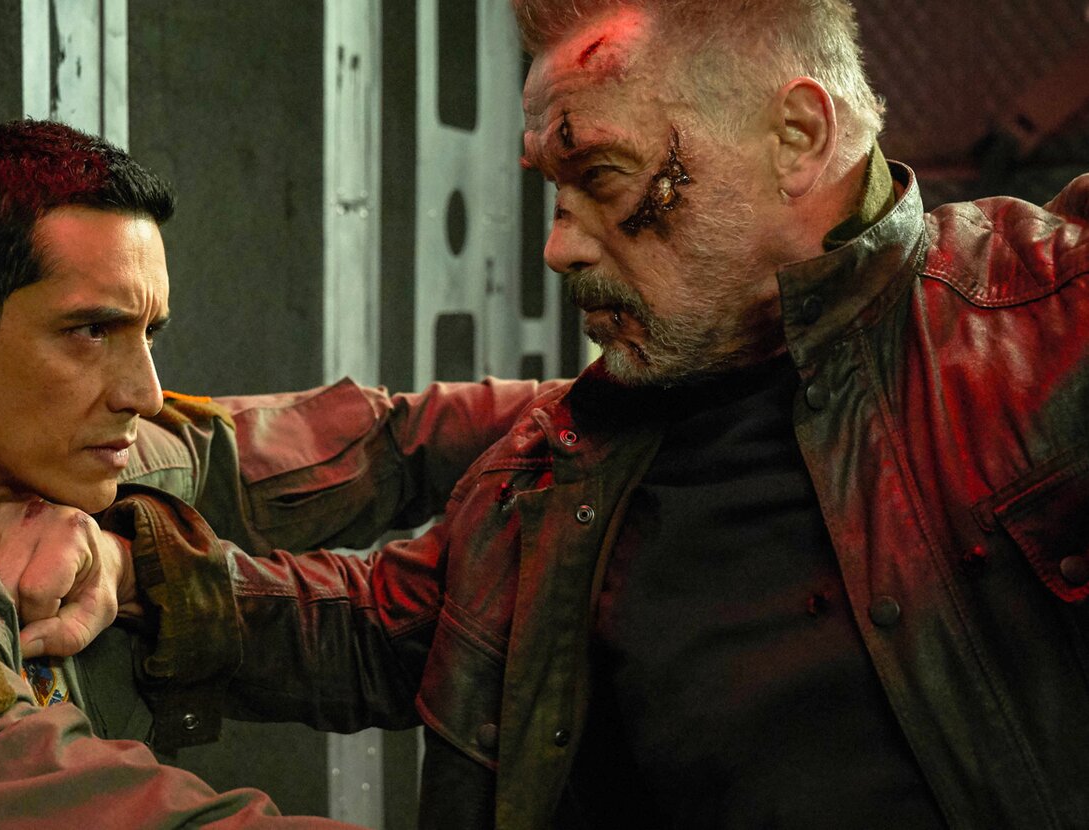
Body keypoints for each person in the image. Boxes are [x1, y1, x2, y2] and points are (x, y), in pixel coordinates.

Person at [92, 1, 1089, 827]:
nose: (560, 247)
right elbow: (392, 627)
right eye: (557, 189)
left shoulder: (1042, 319)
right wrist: (126, 575)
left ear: (796, 137)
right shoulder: (580, 453)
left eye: (603, 177)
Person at [0, 119, 545, 826]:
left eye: (148, 333)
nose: (145, 393)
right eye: (91, 332)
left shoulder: (71, 457)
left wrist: (599, 407)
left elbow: (382, 443)